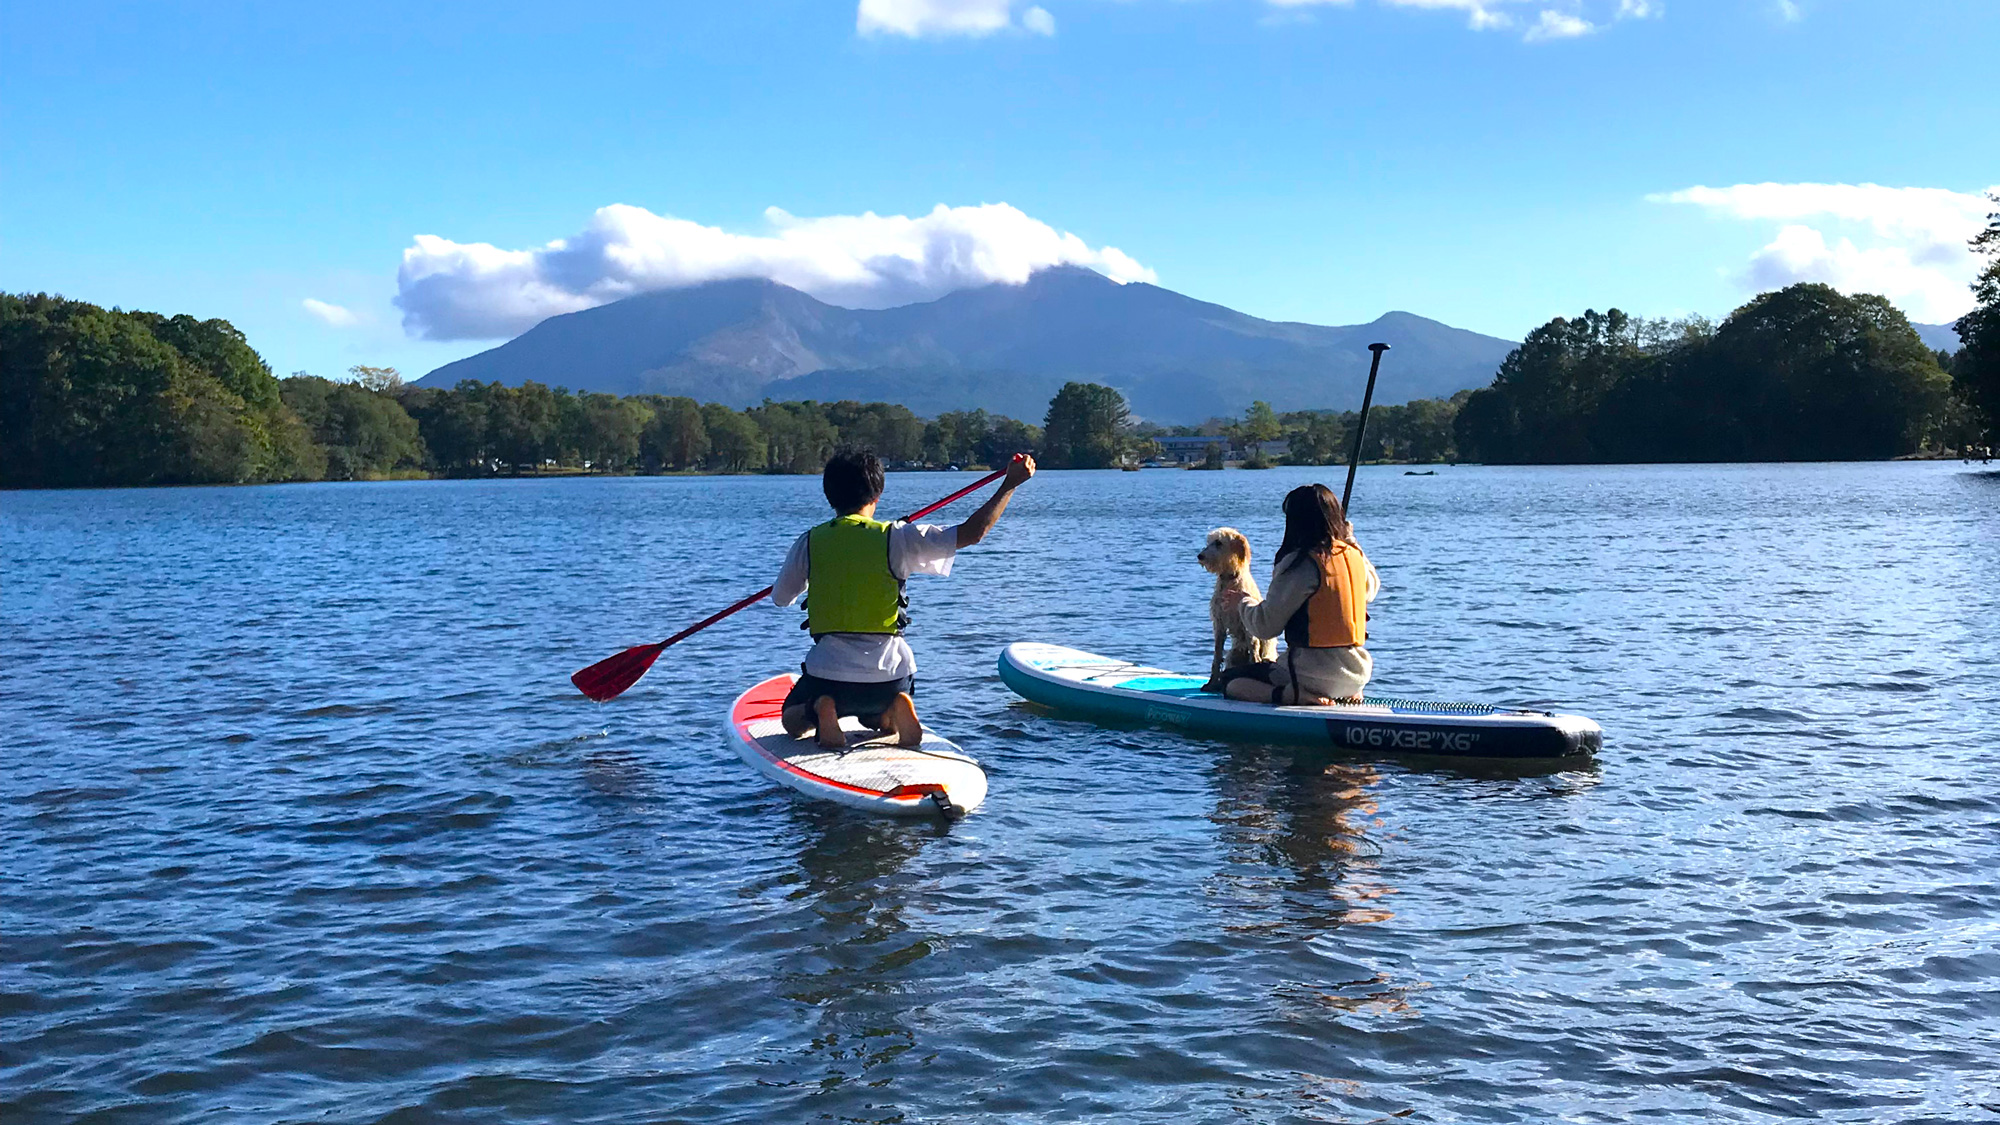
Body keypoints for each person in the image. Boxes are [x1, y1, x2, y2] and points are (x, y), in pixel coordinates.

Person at [773, 448, 1036, 749]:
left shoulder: (809, 542)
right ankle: (893, 708)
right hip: (890, 676)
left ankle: (821, 708)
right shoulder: (899, 537)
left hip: (829, 673)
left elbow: (781, 599)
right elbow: (972, 533)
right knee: (877, 720)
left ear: (829, 496)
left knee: (792, 721)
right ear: (878, 494)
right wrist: (1009, 484)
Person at [1217, 483, 1380, 706]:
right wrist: (1349, 539)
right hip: (1357, 674)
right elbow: (1371, 588)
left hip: (1311, 675)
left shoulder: (1300, 564)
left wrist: (1242, 602)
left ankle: (1292, 695)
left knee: (1230, 681)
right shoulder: (1353, 555)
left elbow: (1266, 627)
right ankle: (1346, 693)